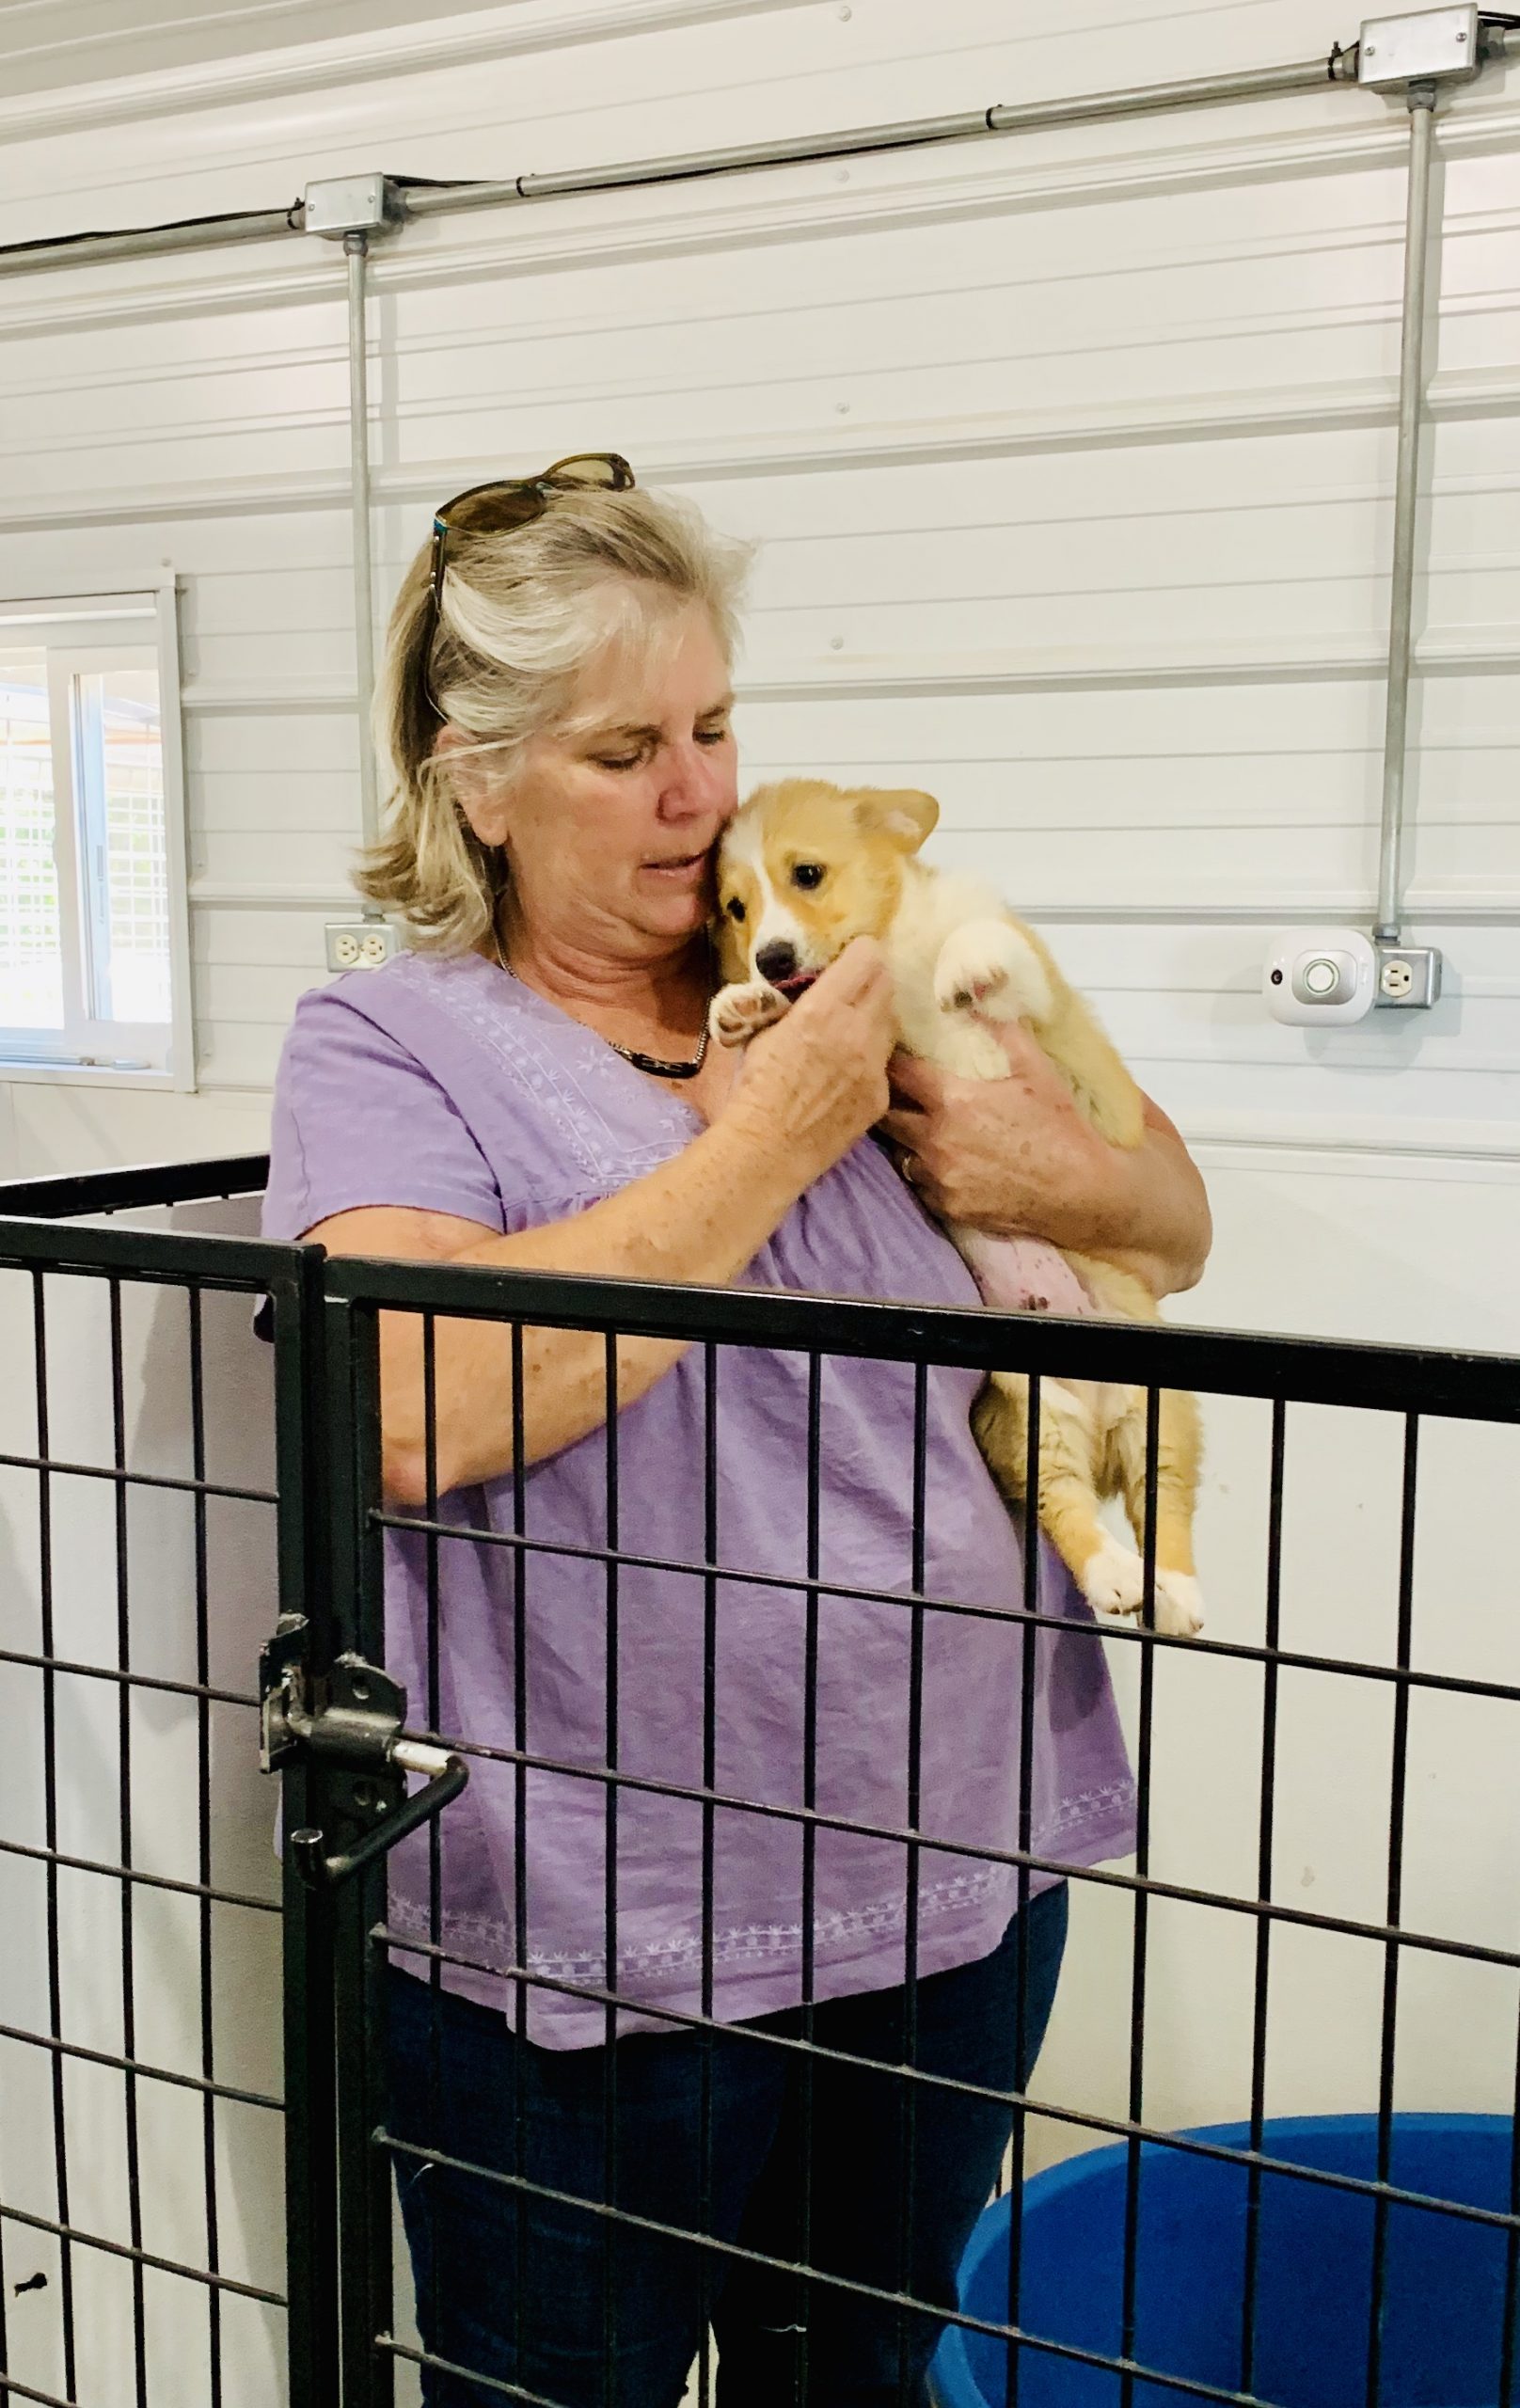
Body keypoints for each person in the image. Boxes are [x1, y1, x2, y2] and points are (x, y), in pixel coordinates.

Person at [262, 455, 1211, 2408]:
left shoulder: (829, 950)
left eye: (712, 724)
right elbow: (410, 1410)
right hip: (602, 1944)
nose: (698, 796)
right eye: (624, 748)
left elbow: (1176, 1222)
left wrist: (1066, 1171)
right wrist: (779, 1127)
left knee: (854, 2377)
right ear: (477, 775)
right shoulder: (397, 1042)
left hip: (959, 1865)